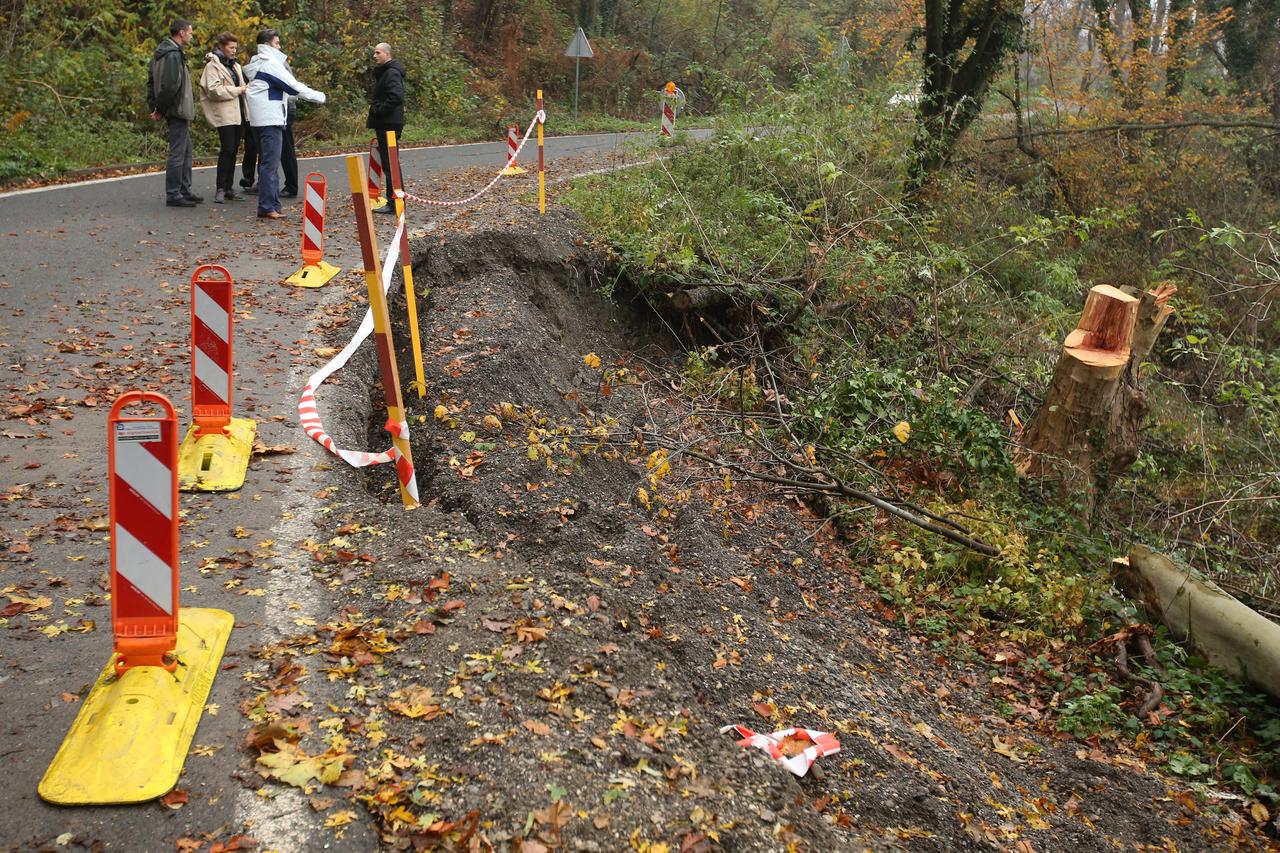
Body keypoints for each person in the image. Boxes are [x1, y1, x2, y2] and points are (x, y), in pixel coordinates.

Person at [244, 29, 325, 219]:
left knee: (267, 163)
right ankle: (267, 206)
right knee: (270, 165)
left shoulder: (256, 64)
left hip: (260, 119)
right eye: (277, 43)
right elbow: (292, 86)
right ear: (268, 45)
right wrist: (319, 96)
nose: (280, 47)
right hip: (270, 119)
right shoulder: (270, 64)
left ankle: (273, 204)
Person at [147, 19, 201, 207]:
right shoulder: (173, 54)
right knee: (178, 152)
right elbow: (170, 85)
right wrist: (159, 109)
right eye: (190, 32)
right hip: (177, 109)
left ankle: (184, 190)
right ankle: (174, 193)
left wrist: (154, 105)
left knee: (186, 150)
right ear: (181, 32)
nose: (191, 36)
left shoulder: (161, 52)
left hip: (173, 108)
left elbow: (151, 80)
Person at [199, 32, 248, 203]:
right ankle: (220, 187)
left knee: (234, 150)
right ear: (221, 47)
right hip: (224, 113)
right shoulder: (212, 67)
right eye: (231, 47)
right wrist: (238, 90)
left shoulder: (235, 66)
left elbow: (243, 86)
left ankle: (228, 188)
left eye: (235, 47)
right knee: (226, 149)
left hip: (238, 112)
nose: (234, 51)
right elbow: (214, 90)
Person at [367, 42, 405, 214]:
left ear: (387, 55)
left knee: (390, 164)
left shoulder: (391, 73)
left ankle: (394, 202)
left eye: (378, 53)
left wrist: (378, 110)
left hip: (388, 123)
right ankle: (396, 200)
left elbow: (396, 96)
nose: (375, 56)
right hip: (387, 122)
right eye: (374, 53)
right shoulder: (386, 72)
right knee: (390, 164)